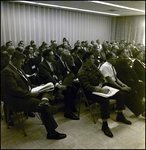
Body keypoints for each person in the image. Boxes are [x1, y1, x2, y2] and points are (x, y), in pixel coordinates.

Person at [1, 51, 66, 139]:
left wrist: (40, 87)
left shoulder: (18, 68)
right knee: (41, 106)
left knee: (50, 87)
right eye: (21, 61)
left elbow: (28, 84)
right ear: (15, 60)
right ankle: (51, 132)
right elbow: (14, 90)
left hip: (26, 94)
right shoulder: (7, 72)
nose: (23, 63)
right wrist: (30, 94)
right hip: (17, 100)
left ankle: (44, 101)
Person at [77, 52, 132, 138]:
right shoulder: (81, 72)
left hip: (99, 88)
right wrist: (100, 89)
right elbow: (87, 87)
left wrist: (100, 85)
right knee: (104, 101)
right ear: (87, 60)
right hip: (90, 92)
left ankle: (120, 115)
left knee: (120, 94)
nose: (94, 60)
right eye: (92, 58)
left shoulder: (93, 66)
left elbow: (101, 77)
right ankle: (105, 125)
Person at [99, 52, 145, 118]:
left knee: (131, 91)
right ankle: (138, 111)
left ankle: (142, 110)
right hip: (107, 85)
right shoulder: (105, 66)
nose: (116, 59)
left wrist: (123, 85)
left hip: (113, 83)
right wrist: (121, 88)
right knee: (126, 95)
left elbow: (115, 78)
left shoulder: (111, 65)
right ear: (110, 59)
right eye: (114, 58)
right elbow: (110, 81)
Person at [38, 49, 79, 120]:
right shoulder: (42, 65)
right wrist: (58, 84)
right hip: (47, 86)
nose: (54, 56)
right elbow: (48, 77)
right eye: (52, 55)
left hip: (56, 83)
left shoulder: (53, 62)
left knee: (70, 87)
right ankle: (68, 111)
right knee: (68, 89)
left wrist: (60, 81)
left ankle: (69, 107)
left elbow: (59, 73)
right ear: (47, 57)